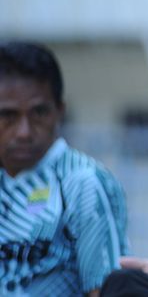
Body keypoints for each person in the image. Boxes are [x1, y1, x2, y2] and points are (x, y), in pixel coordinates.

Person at [0, 41, 130, 296]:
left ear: (60, 111)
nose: (24, 131)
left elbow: (103, 289)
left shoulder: (83, 182)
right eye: (8, 115)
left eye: (38, 113)